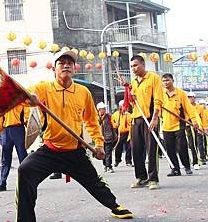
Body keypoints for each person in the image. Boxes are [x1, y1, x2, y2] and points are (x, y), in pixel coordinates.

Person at [16, 50, 133, 221]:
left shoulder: (83, 92)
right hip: (50, 149)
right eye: (61, 63)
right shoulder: (43, 88)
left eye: (69, 63)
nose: (66, 65)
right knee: (25, 170)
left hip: (74, 151)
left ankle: (114, 206)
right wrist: (30, 98)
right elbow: (28, 95)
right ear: (53, 69)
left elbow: (92, 121)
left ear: (74, 69)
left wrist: (99, 144)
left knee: (95, 182)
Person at [129, 55, 163, 190]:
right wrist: (131, 98)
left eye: (136, 65)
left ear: (143, 64)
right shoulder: (133, 82)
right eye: (131, 66)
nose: (133, 68)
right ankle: (141, 177)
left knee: (152, 149)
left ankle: (153, 178)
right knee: (136, 149)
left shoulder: (153, 78)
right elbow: (133, 103)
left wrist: (155, 118)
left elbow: (158, 99)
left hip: (150, 118)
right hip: (136, 118)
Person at [160, 73, 197, 176]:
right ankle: (175, 169)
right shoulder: (160, 94)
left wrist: (193, 120)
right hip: (166, 126)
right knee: (170, 149)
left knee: (182, 147)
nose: (165, 83)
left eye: (167, 80)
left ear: (172, 81)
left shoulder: (181, 93)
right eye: (163, 81)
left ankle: (187, 166)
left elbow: (188, 108)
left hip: (179, 125)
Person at [0, 104, 29, 192]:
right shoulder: (2, 104)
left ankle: (27, 183)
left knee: (23, 158)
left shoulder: (22, 103)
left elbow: (28, 117)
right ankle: (2, 184)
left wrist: (32, 130)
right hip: (5, 131)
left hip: (19, 129)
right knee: (5, 159)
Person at [97, 101, 117, 173]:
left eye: (104, 108)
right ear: (99, 110)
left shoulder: (109, 117)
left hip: (109, 137)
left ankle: (109, 166)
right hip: (100, 138)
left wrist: (116, 125)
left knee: (108, 152)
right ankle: (105, 165)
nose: (104, 110)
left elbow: (113, 125)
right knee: (103, 153)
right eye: (102, 108)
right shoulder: (97, 118)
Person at [185, 92, 203, 170]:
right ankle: (186, 162)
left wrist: (200, 127)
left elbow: (196, 117)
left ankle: (195, 162)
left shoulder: (192, 107)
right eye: (189, 97)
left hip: (190, 127)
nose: (190, 99)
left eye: (192, 97)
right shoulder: (182, 104)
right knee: (182, 146)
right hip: (180, 127)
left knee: (193, 145)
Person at [112, 100, 132, 167]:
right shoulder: (115, 114)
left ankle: (128, 161)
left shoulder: (129, 115)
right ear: (120, 107)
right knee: (118, 147)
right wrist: (115, 125)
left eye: (125, 106)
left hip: (127, 133)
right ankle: (117, 160)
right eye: (123, 106)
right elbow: (112, 123)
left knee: (128, 148)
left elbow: (131, 125)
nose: (125, 108)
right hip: (119, 133)